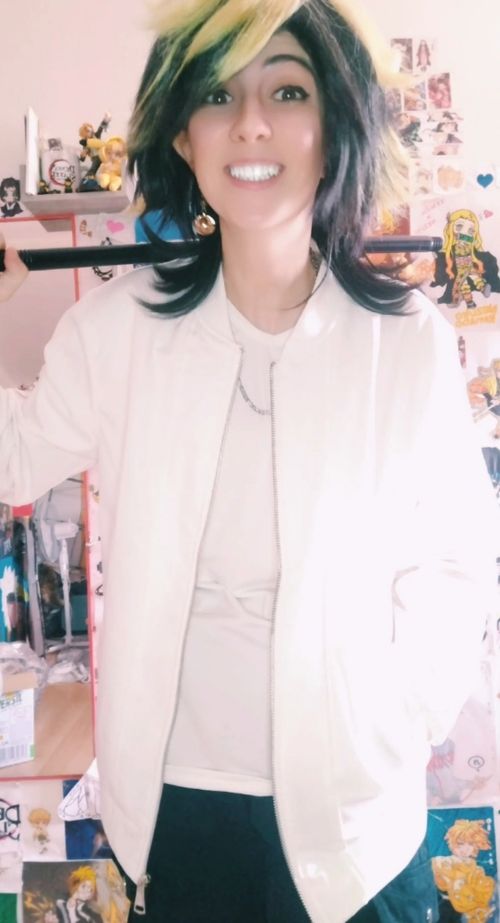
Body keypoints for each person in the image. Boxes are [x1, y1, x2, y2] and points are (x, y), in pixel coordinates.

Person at [0, 1, 497, 921]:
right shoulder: (116, 333)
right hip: (179, 806)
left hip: (356, 823)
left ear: (333, 128)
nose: (252, 124)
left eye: (289, 91)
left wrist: (403, 714)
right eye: (219, 95)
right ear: (182, 136)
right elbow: (15, 458)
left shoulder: (405, 342)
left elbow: (458, 561)